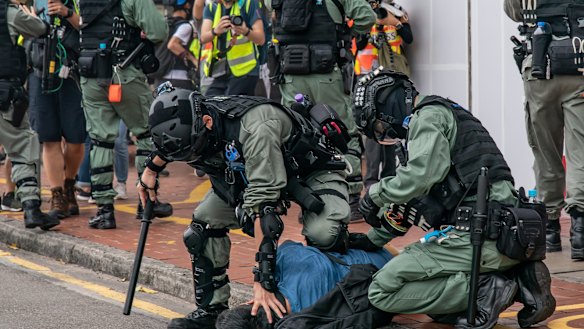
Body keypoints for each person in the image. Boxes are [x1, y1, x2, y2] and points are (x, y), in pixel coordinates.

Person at [351, 69, 555, 328]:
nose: (385, 131)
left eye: (379, 124)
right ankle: (513, 275)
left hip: (478, 236)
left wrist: (375, 194)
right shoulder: (446, 113)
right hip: (503, 236)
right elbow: (410, 205)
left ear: (386, 104)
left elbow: (418, 177)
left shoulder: (427, 118)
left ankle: (496, 286)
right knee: (439, 308)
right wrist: (370, 240)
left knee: (381, 290)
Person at [139, 85, 354, 328]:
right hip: (252, 172)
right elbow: (170, 144)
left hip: (310, 169)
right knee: (203, 225)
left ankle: (334, 296)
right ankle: (211, 310)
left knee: (324, 235)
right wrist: (150, 170)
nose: (192, 158)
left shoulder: (255, 128)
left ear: (207, 122)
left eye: (193, 152)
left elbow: (264, 207)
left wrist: (263, 281)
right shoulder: (193, 119)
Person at [267, 0, 376, 222]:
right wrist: (344, 33)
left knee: (298, 136)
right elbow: (367, 17)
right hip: (327, 72)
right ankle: (352, 197)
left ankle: (309, 198)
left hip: (291, 74)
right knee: (341, 130)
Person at [77, 0, 173, 229]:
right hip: (124, 72)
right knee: (146, 133)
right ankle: (147, 202)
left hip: (90, 75)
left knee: (100, 141)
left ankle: (104, 210)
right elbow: (159, 31)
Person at [503, 0, 584, 260]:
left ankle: (550, 229)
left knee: (545, 150)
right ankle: (580, 231)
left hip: (540, 67)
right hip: (579, 64)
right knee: (580, 151)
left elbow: (514, 12)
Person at [216, 240, 393, 328]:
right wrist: (261, 279)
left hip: (387, 277)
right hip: (377, 251)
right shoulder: (284, 259)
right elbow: (286, 244)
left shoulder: (311, 316)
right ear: (249, 303)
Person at [0, 0, 59, 230]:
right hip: (5, 94)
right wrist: (32, 15)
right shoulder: (11, 14)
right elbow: (41, 29)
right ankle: (32, 209)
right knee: (23, 147)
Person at [27, 0, 85, 220]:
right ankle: (57, 194)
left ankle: (69, 183)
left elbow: (88, 26)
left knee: (76, 138)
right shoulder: (36, 2)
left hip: (72, 75)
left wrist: (66, 12)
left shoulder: (79, 3)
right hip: (41, 72)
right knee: (49, 137)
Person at [354, 0, 412, 193]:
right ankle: (371, 180)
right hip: (367, 75)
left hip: (392, 76)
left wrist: (394, 22)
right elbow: (359, 42)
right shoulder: (361, 11)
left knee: (391, 123)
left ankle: (389, 177)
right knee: (371, 127)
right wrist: (373, 22)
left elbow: (408, 38)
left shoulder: (397, 12)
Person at [200, 0, 265, 96]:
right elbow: (203, 38)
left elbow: (261, 39)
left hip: (245, 70)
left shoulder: (249, 3)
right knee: (209, 104)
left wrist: (246, 31)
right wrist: (215, 31)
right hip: (220, 71)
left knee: (233, 107)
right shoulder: (212, 7)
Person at [153, 0, 198, 91]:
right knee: (180, 104)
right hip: (179, 79)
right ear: (187, 5)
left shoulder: (164, 25)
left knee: (162, 104)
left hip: (160, 78)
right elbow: (173, 45)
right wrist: (194, 60)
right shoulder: (185, 26)